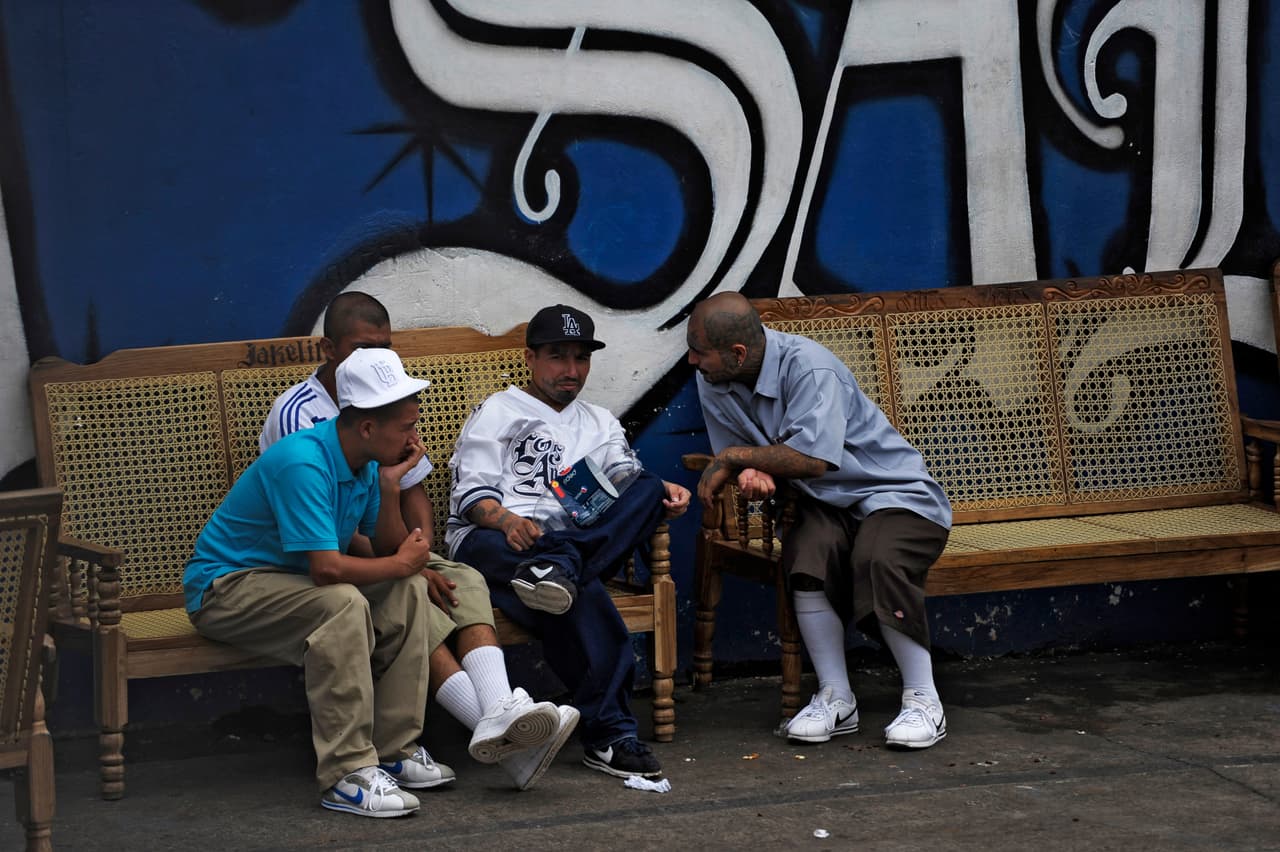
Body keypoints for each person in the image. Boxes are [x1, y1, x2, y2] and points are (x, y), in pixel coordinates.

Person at [258, 292, 577, 793]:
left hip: (377, 545)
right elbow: (333, 537)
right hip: (325, 557)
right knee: (411, 596)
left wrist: (421, 550)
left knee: (462, 578)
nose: (374, 358)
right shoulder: (305, 418)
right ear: (327, 349)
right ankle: (492, 729)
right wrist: (406, 565)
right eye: (362, 347)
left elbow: (410, 491)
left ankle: (498, 711)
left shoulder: (386, 401)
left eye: (383, 346)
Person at [686, 292, 953, 750]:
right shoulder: (713, 377)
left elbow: (811, 460)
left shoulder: (810, 367)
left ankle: (924, 699)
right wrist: (751, 469)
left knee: (877, 557)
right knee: (806, 558)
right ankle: (837, 696)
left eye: (700, 351)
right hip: (823, 503)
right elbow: (748, 456)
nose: (691, 361)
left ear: (738, 354)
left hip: (892, 494)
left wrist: (735, 458)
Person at [446, 304, 691, 779]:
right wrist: (505, 521)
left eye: (581, 358)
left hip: (567, 546)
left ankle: (563, 564)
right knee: (577, 588)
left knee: (648, 487)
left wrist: (664, 494)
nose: (571, 370)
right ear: (531, 358)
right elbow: (471, 499)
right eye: (558, 357)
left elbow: (627, 486)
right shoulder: (499, 410)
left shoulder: (600, 422)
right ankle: (611, 735)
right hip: (496, 545)